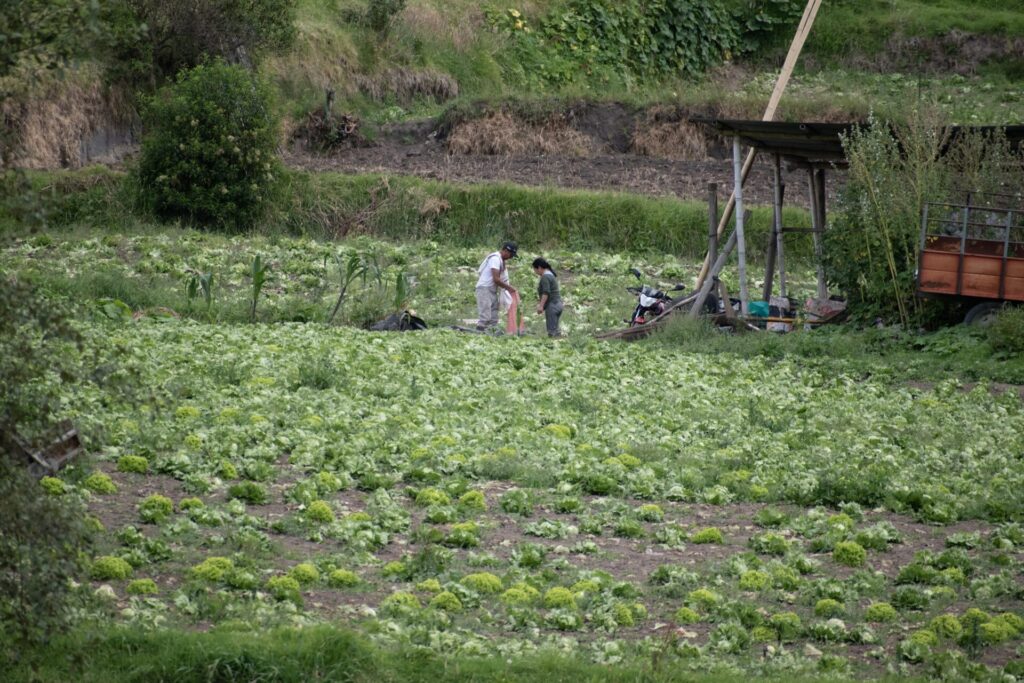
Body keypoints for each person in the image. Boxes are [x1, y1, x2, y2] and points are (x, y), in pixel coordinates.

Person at [475, 242, 518, 331]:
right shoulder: (495, 259)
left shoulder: (501, 261)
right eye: (510, 255)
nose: (511, 257)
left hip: (492, 289)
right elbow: (496, 279)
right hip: (484, 288)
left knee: (494, 315)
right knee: (485, 315)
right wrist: (509, 288)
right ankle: (480, 331)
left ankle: (492, 332)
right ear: (505, 251)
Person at [533, 257, 562, 337]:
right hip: (558, 304)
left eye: (535, 270)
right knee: (556, 331)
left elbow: (546, 292)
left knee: (552, 333)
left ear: (539, 268)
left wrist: (541, 306)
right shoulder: (551, 274)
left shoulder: (545, 277)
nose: (535, 272)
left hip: (552, 306)